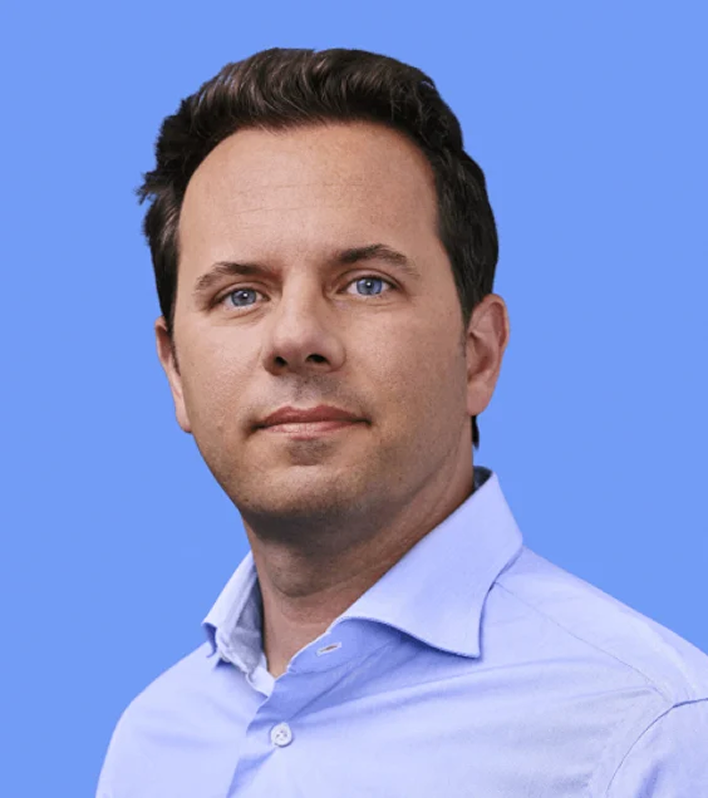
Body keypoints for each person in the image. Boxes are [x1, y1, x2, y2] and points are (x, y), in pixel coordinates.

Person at [96, 47, 708, 797]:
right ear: (176, 373)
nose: (295, 338)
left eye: (366, 283)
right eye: (241, 295)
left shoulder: (651, 734)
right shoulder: (153, 744)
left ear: (477, 354)